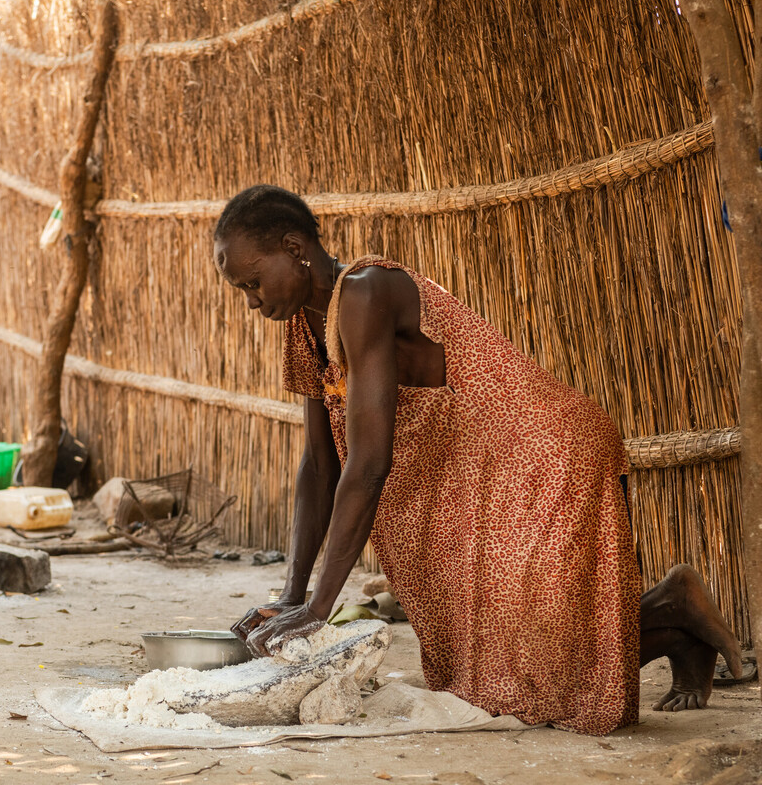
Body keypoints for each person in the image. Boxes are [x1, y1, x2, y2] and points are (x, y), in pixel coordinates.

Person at [214, 184, 743, 735]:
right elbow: (319, 468)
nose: (251, 301)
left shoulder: (366, 292)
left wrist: (318, 609)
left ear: (294, 247)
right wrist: (291, 596)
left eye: (252, 282)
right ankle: (675, 623)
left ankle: (674, 609)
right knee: (494, 683)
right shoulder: (304, 325)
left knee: (535, 687)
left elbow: (368, 464)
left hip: (545, 453)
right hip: (488, 470)